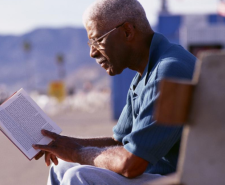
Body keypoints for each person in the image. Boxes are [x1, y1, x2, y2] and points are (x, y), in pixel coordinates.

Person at [33, 0, 196, 184]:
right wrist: (62, 144)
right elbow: (119, 143)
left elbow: (132, 163)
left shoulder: (168, 71)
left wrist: (76, 152)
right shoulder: (145, 74)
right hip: (156, 175)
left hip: (182, 179)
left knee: (77, 176)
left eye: (97, 40)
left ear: (127, 31)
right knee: (61, 167)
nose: (92, 53)